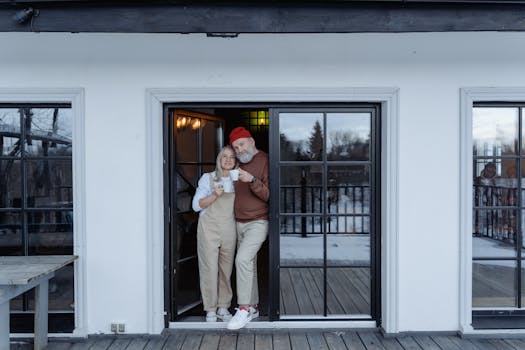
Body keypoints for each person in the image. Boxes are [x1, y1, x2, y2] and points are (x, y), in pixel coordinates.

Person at [226, 126, 269, 330]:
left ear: (251, 141)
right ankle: (253, 307)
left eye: (242, 144)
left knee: (242, 259)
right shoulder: (234, 164)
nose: (239, 150)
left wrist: (252, 180)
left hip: (258, 221)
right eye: (235, 147)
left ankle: (242, 309)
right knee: (248, 264)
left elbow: (270, 195)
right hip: (237, 222)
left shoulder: (266, 160)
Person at [192, 146, 238, 322]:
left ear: (235, 161)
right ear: (219, 159)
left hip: (229, 227)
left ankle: (223, 307)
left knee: (225, 270)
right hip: (209, 227)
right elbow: (196, 205)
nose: (228, 160)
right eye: (224, 156)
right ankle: (210, 309)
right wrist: (214, 195)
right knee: (209, 268)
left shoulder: (237, 180)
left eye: (232, 157)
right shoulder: (208, 178)